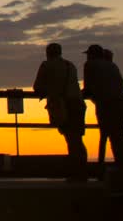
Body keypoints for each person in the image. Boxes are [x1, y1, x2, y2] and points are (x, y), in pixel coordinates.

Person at [33, 42, 87, 181]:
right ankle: (82, 172)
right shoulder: (71, 65)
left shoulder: (47, 65)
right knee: (77, 140)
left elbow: (37, 86)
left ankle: (76, 174)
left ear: (48, 53)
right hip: (78, 104)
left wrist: (48, 91)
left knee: (71, 140)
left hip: (63, 105)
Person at [82, 44, 123, 171]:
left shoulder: (90, 65)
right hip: (122, 104)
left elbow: (88, 89)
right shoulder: (112, 65)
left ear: (91, 55)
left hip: (106, 104)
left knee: (104, 136)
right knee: (118, 138)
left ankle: (101, 168)